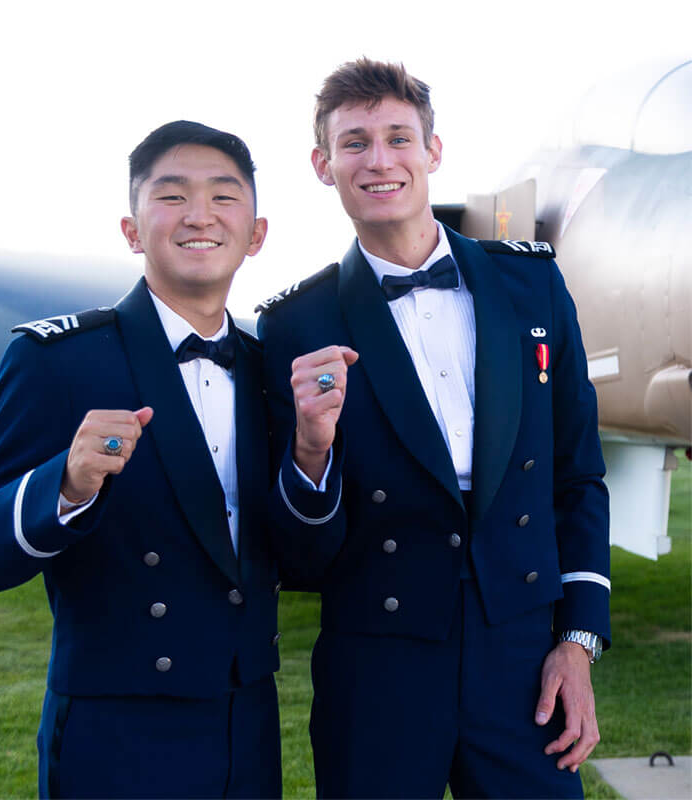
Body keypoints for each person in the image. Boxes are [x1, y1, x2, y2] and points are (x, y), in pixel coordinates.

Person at [257, 59, 611, 799]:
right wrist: (310, 453)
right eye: (355, 143)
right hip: (376, 667)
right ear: (323, 166)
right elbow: (297, 556)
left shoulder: (532, 284)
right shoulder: (295, 324)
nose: (379, 160)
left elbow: (577, 475)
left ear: (433, 151)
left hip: (523, 660)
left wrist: (576, 643)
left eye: (398, 137)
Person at [0, 120, 282, 799]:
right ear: (131, 230)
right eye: (172, 196)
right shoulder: (58, 362)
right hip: (118, 735)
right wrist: (64, 485)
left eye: (223, 196)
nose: (200, 216)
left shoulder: (275, 372)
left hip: (248, 725)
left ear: (257, 232)